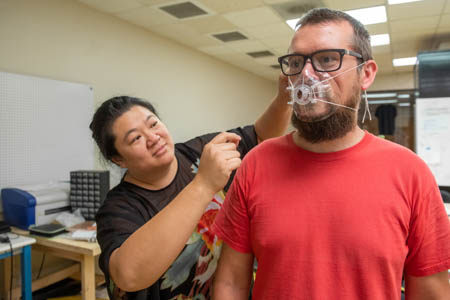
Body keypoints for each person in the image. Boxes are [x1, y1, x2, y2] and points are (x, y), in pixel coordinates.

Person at [212, 8, 450, 300]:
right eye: (297, 62)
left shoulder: (410, 172)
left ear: (366, 73)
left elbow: (431, 292)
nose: (307, 76)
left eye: (327, 59)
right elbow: (231, 283)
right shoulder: (256, 164)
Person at [90, 82, 291, 300]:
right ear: (119, 160)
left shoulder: (197, 152)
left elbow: (260, 137)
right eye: (136, 138)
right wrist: (203, 184)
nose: (153, 137)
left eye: (153, 124)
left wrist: (285, 97)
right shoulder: (119, 207)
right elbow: (129, 276)